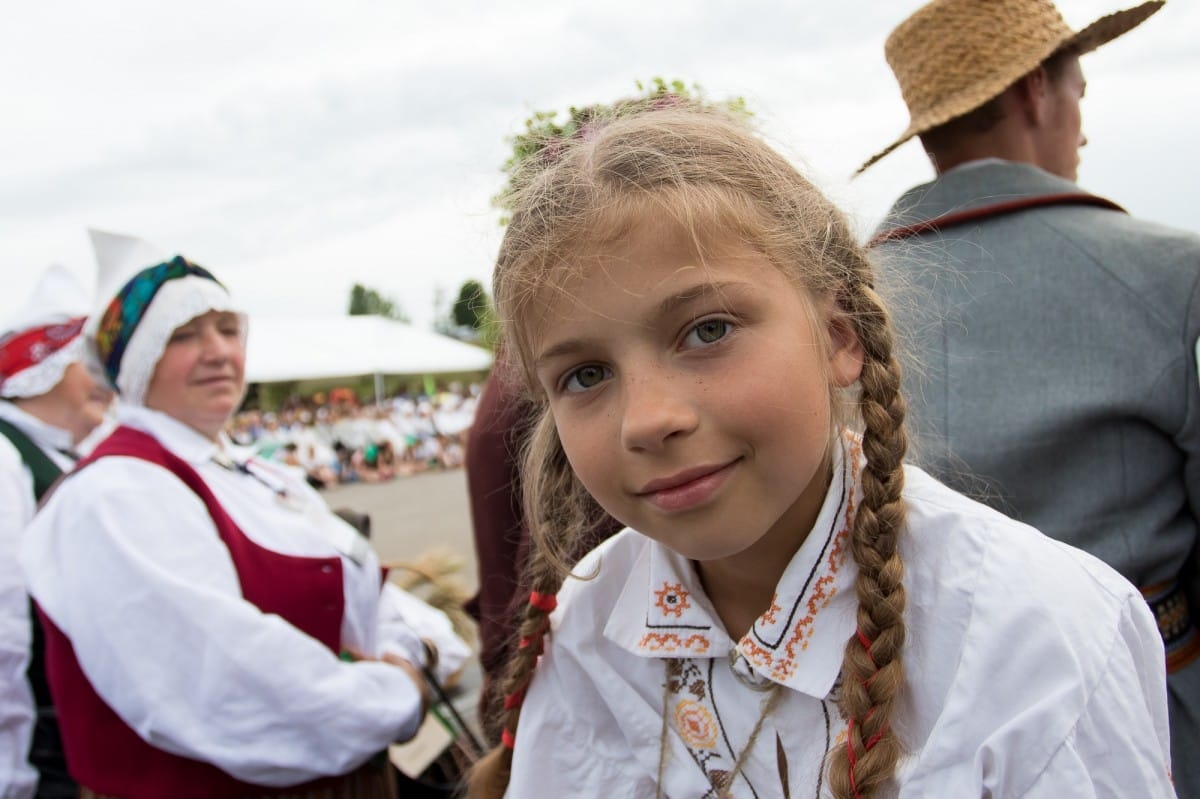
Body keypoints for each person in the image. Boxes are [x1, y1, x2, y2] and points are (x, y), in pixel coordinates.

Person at [465, 107, 1175, 798]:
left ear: (839, 334)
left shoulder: (1040, 637)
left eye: (708, 330)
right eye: (585, 375)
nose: (648, 420)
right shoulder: (587, 633)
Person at [860, 2, 1199, 794]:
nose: (1082, 128)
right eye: (1081, 88)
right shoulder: (1176, 276)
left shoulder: (841, 301)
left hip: (889, 736)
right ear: (1037, 91)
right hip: (1144, 723)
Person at [20, 229, 431, 799]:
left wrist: (405, 653)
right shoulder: (114, 493)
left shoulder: (256, 473)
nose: (218, 350)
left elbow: (369, 587)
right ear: (135, 363)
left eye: (229, 329)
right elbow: (223, 681)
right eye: (184, 335)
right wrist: (395, 695)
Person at [1, 265, 112, 799]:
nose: (106, 380)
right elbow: (3, 630)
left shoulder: (63, 454)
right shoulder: (4, 458)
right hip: (38, 754)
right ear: (46, 366)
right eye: (89, 363)